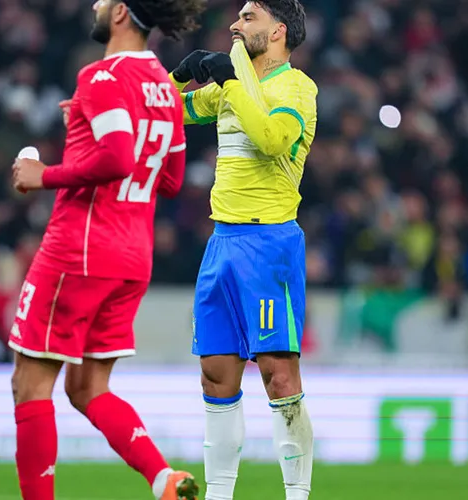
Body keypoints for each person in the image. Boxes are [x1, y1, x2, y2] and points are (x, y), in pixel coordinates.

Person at [7, 0, 205, 499]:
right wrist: (86, 130)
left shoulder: (101, 77)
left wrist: (44, 176)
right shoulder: (165, 88)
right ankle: (164, 478)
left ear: (119, 12)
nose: (94, 4)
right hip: (133, 256)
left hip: (80, 248)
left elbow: (117, 157)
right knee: (88, 388)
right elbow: (171, 180)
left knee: (30, 384)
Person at [169, 1, 317, 498]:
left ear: (278, 32)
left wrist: (230, 81)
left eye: (248, 17)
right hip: (222, 242)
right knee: (215, 375)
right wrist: (178, 76)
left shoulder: (296, 88)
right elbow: (163, 112)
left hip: (269, 244)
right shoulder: (229, 86)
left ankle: (296, 495)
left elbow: (272, 139)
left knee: (278, 375)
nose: (235, 24)